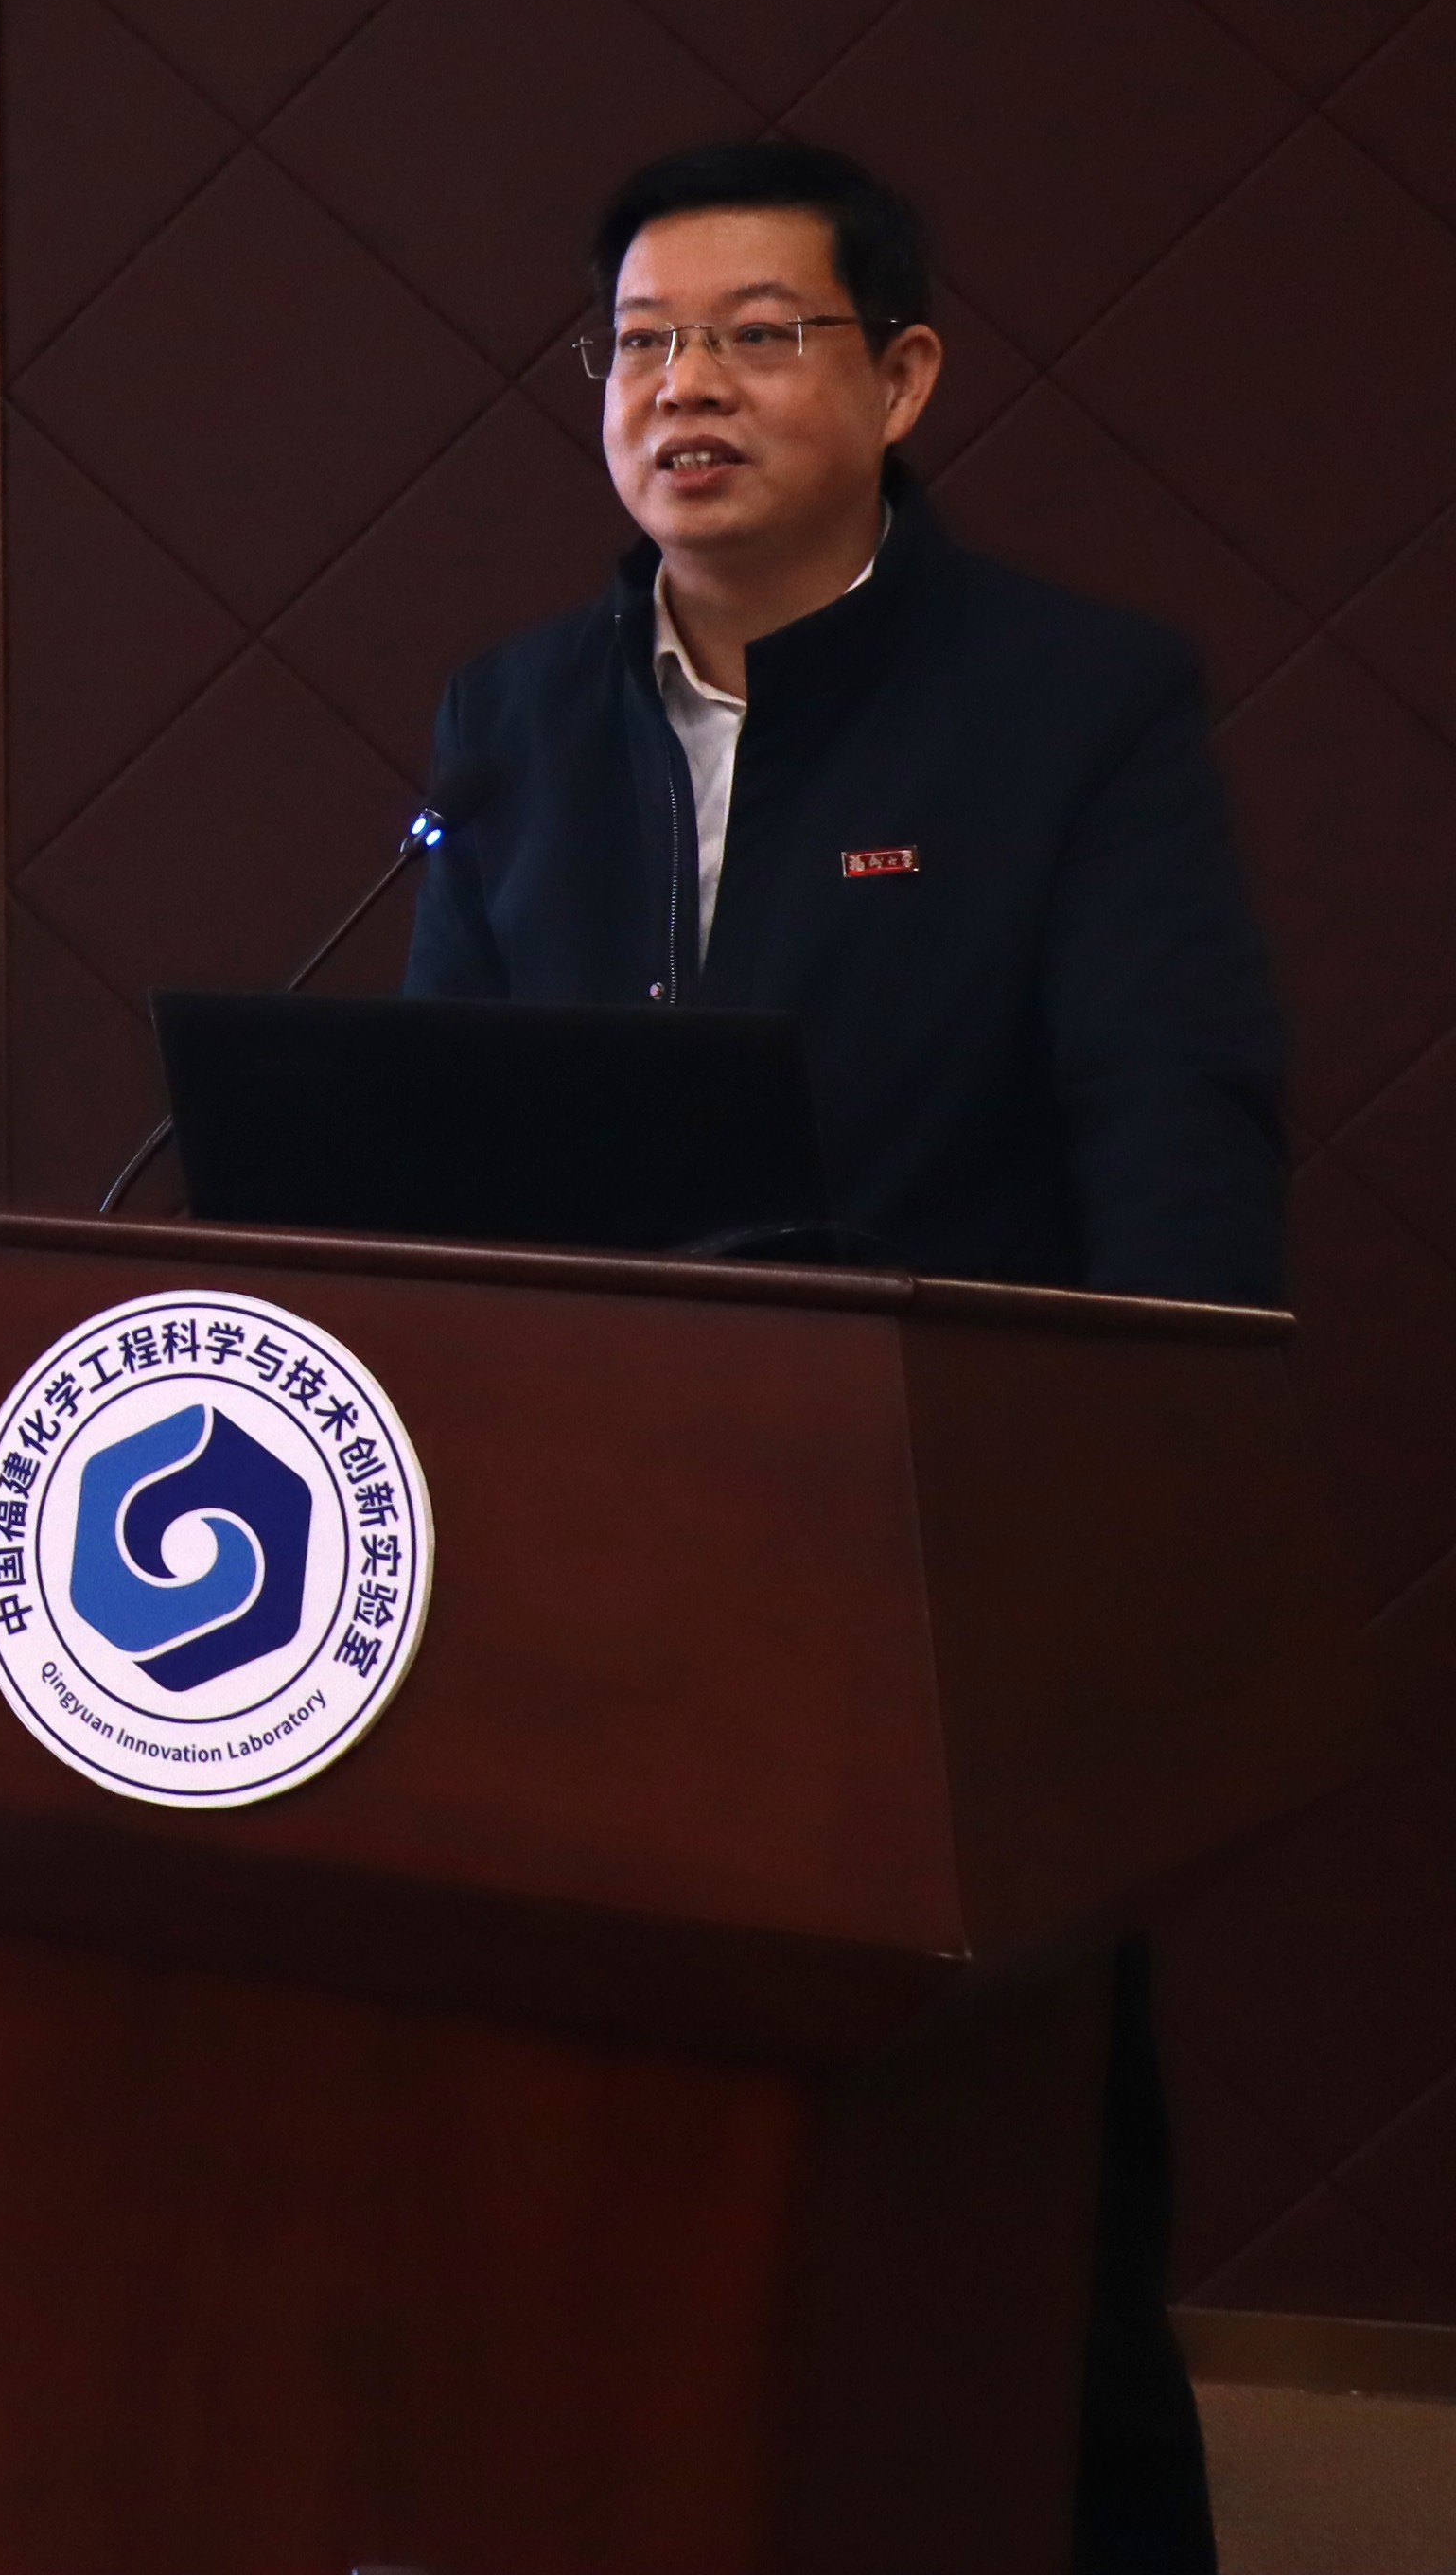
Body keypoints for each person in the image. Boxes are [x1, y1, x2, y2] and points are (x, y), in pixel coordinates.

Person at [407, 136, 1284, 2575]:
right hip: (578, 1571)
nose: (680, 387)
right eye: (638, 344)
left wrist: (1146, 1522)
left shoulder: (1075, 703)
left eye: (753, 334)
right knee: (599, 2164)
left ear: (899, 377)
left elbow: (1173, 1122)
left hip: (949, 1557)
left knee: (1015, 2197)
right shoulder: (507, 720)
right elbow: (422, 1161)